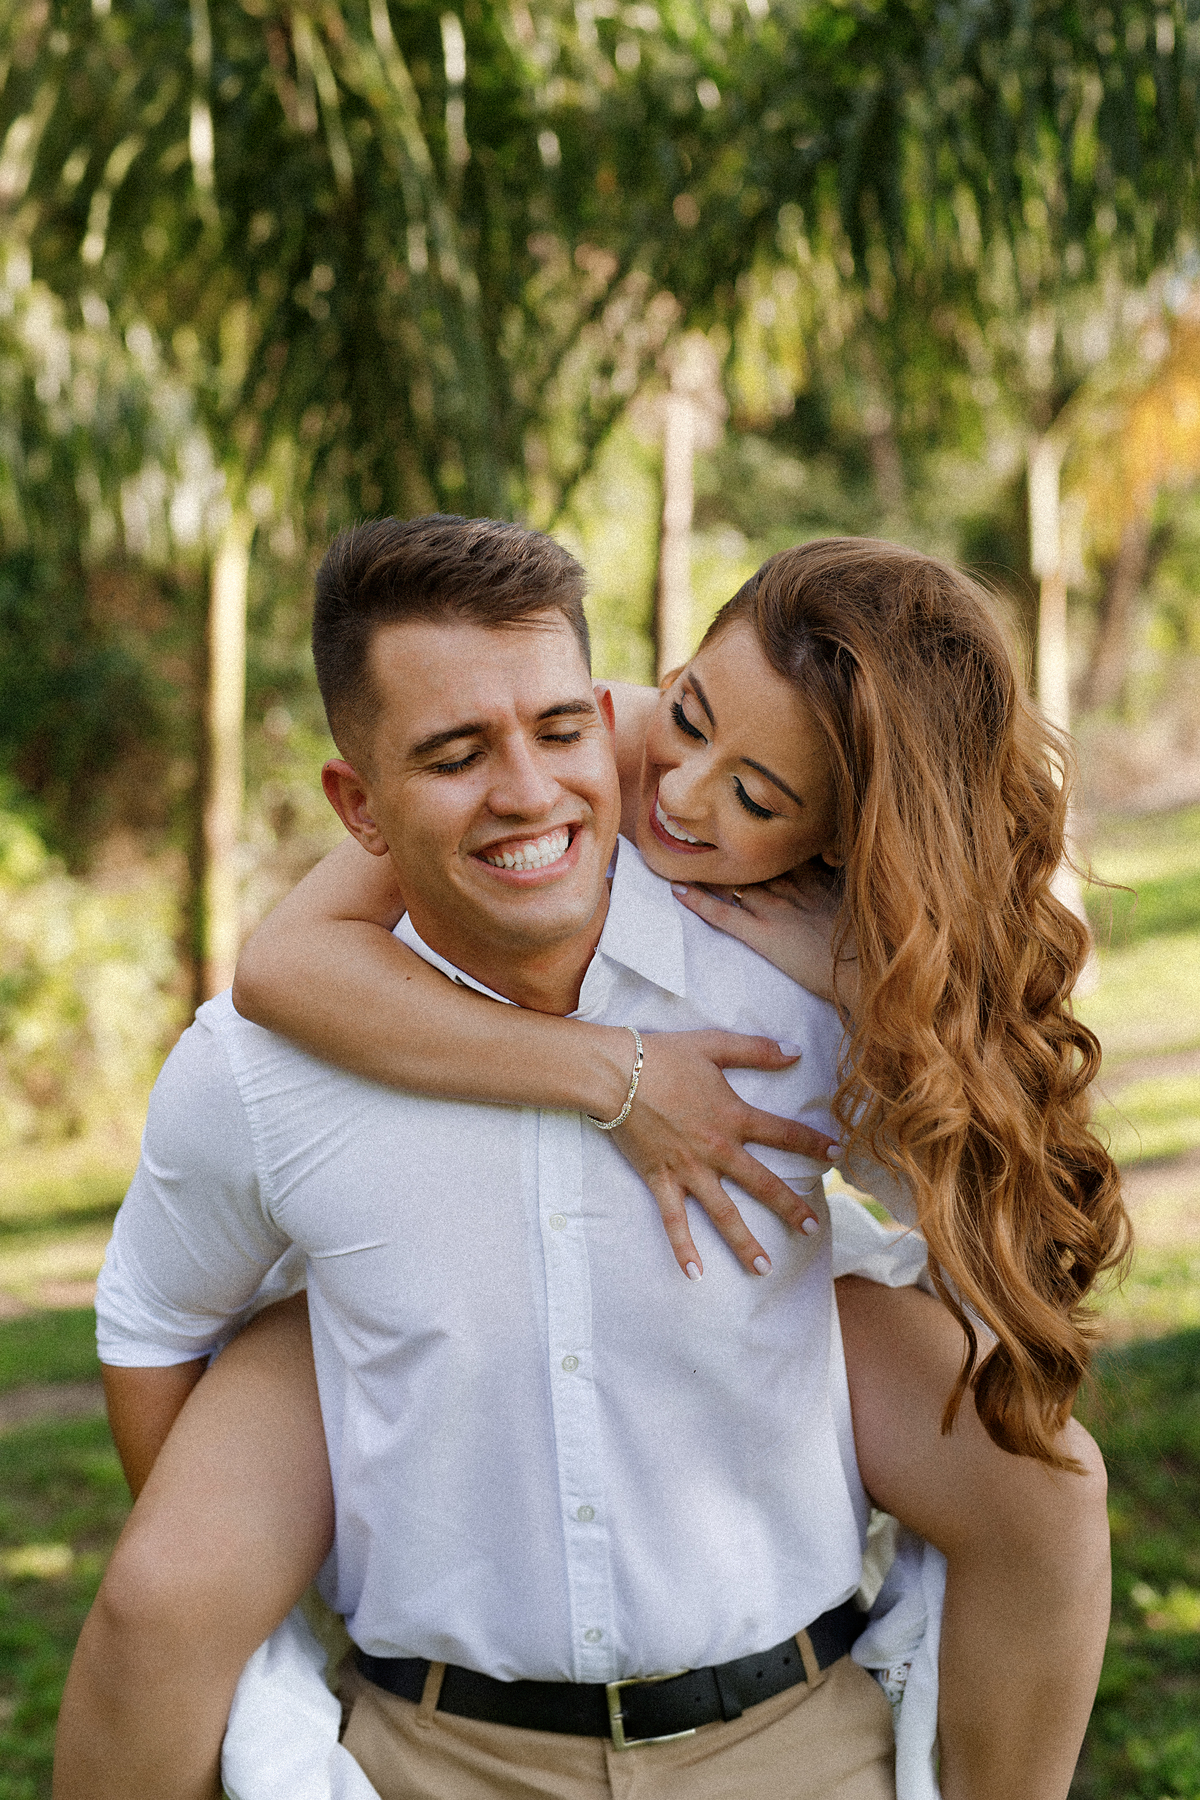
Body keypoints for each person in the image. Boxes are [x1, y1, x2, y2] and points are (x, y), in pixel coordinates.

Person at [55, 523, 1123, 1800]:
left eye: (761, 801)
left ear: (838, 839)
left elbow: (1009, 1237)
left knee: (1047, 1484)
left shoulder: (821, 994)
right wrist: (616, 1076)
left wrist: (860, 984)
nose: (679, 798)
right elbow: (272, 986)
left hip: (790, 1730)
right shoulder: (562, 758)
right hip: (434, 1749)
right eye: (683, 721)